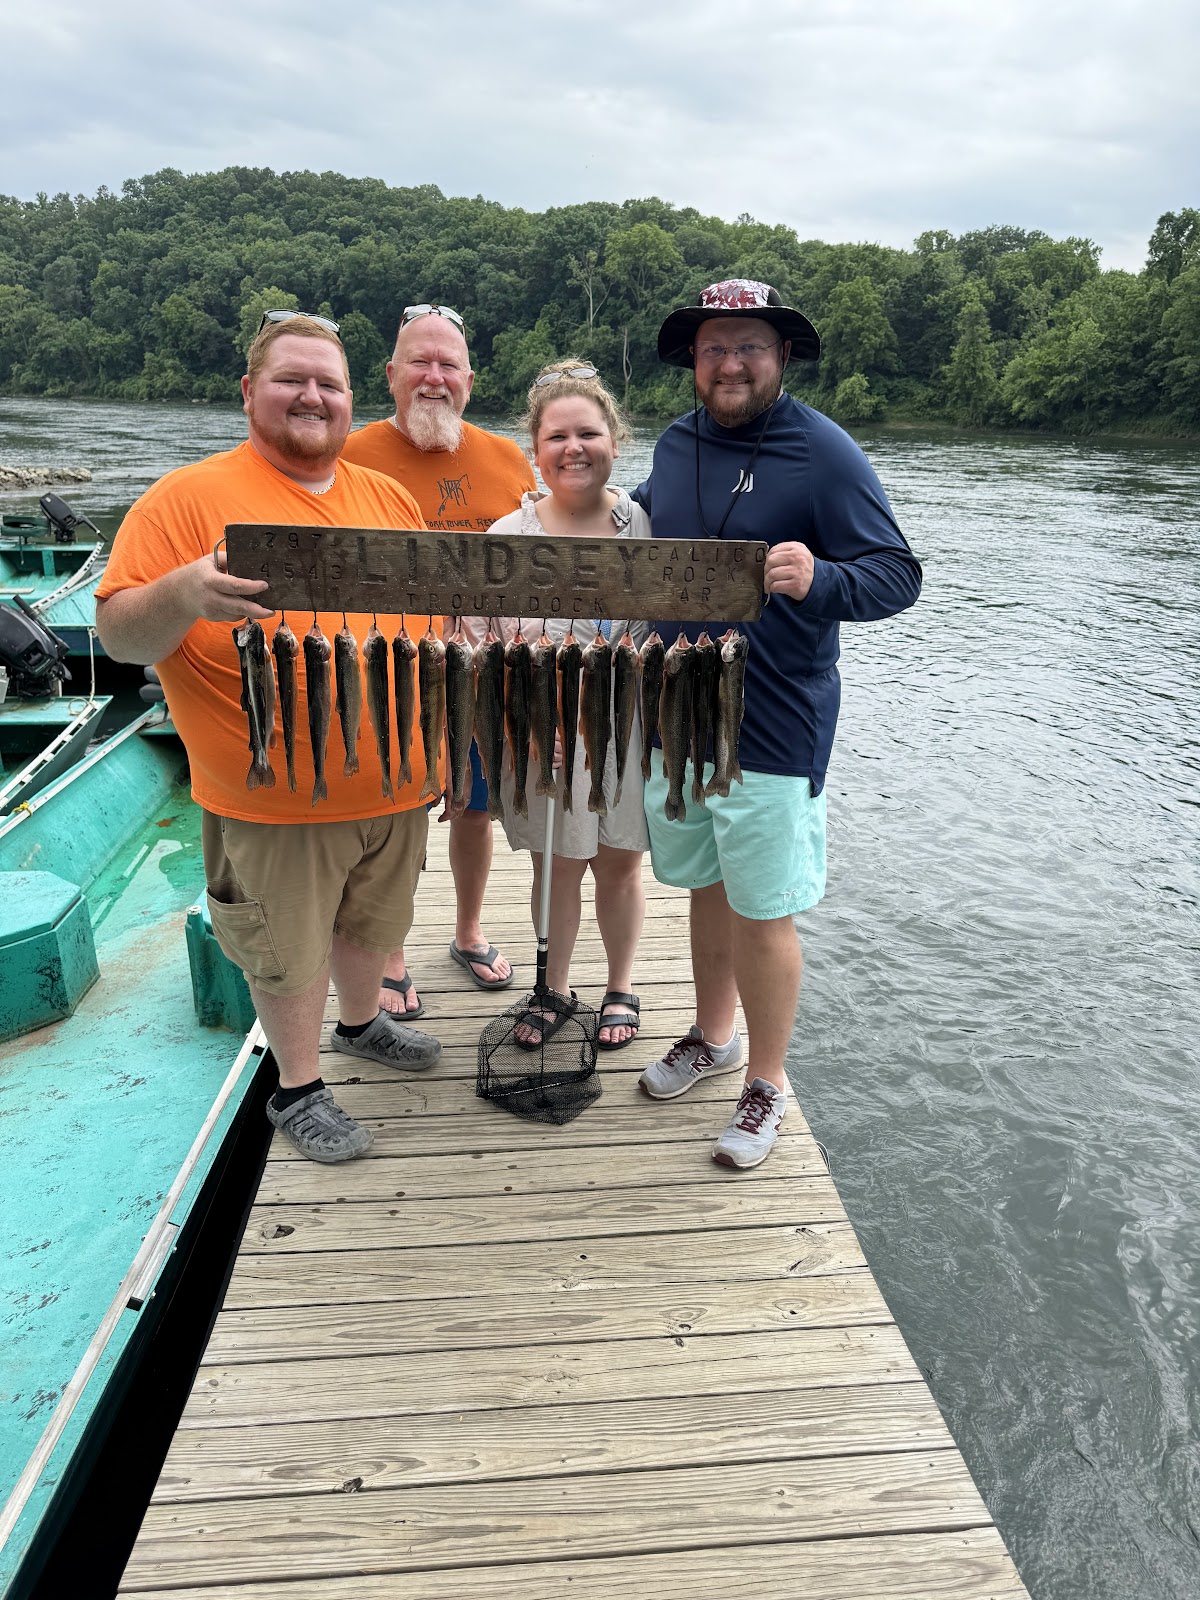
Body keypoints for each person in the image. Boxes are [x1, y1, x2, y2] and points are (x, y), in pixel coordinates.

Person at [94, 312, 444, 1165]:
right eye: (292, 378)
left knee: (374, 922)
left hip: (395, 784)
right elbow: (118, 636)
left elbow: (437, 624)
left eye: (330, 383)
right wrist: (183, 593)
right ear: (251, 391)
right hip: (269, 800)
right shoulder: (185, 499)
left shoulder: (387, 498)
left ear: (352, 401)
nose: (313, 396)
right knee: (283, 952)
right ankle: (296, 1087)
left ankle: (362, 1026)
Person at [634, 279, 923, 1168]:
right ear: (693, 361)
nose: (730, 363)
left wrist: (821, 577)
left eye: (750, 346)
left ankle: (767, 1082)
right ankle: (711, 1035)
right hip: (678, 717)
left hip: (775, 722)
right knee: (707, 886)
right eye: (715, 347)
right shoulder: (676, 443)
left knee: (765, 908)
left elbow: (897, 575)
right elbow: (643, 537)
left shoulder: (824, 452)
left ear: (782, 358)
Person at [340, 303, 536, 1018]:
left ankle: (468, 930)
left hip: (483, 671)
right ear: (390, 376)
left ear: (470, 381)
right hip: (384, 668)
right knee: (398, 810)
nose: (433, 377)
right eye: (419, 363)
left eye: (448, 365)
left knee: (475, 808)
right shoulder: (351, 453)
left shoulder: (509, 458)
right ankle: (390, 952)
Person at [491, 360, 650, 1049]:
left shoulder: (642, 523)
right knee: (554, 866)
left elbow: (656, 632)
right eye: (557, 436)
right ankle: (552, 987)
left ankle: (621, 985)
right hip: (540, 735)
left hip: (621, 727)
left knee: (618, 862)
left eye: (588, 432)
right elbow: (483, 653)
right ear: (535, 451)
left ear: (615, 440)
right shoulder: (506, 536)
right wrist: (530, 731)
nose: (573, 447)